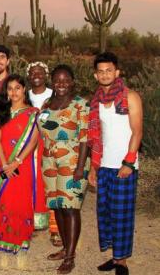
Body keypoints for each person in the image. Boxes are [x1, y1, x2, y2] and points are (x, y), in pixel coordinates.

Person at [88, 52, 142, 275]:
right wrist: (93, 167)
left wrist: (129, 162)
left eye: (109, 70)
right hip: (105, 165)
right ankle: (114, 256)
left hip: (124, 165)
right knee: (107, 214)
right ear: (95, 75)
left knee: (122, 215)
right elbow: (97, 137)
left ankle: (122, 262)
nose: (105, 74)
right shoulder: (96, 101)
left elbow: (137, 132)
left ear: (117, 72)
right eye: (101, 71)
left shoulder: (131, 97)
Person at [38, 65, 89, 274]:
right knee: (57, 206)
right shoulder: (46, 104)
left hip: (73, 159)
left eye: (65, 80)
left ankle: (70, 256)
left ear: (72, 81)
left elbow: (85, 138)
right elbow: (41, 130)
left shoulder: (80, 104)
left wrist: (79, 168)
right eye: (57, 80)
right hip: (49, 160)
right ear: (52, 82)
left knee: (70, 207)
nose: (61, 84)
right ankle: (65, 247)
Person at [0, 74, 45, 254]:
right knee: (6, 200)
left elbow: (33, 141)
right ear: (6, 92)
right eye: (10, 88)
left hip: (22, 163)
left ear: (24, 90)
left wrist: (16, 162)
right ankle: (4, 238)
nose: (14, 92)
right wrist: (5, 163)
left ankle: (21, 238)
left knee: (21, 200)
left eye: (17, 88)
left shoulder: (33, 113)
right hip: (2, 162)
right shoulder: (0, 113)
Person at [27, 61, 59, 245]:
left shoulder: (54, 94)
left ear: (46, 75)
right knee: (32, 183)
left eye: (40, 72)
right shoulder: (25, 95)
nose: (36, 75)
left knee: (52, 185)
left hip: (49, 146)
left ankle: (55, 229)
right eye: (32, 72)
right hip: (29, 147)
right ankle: (34, 222)